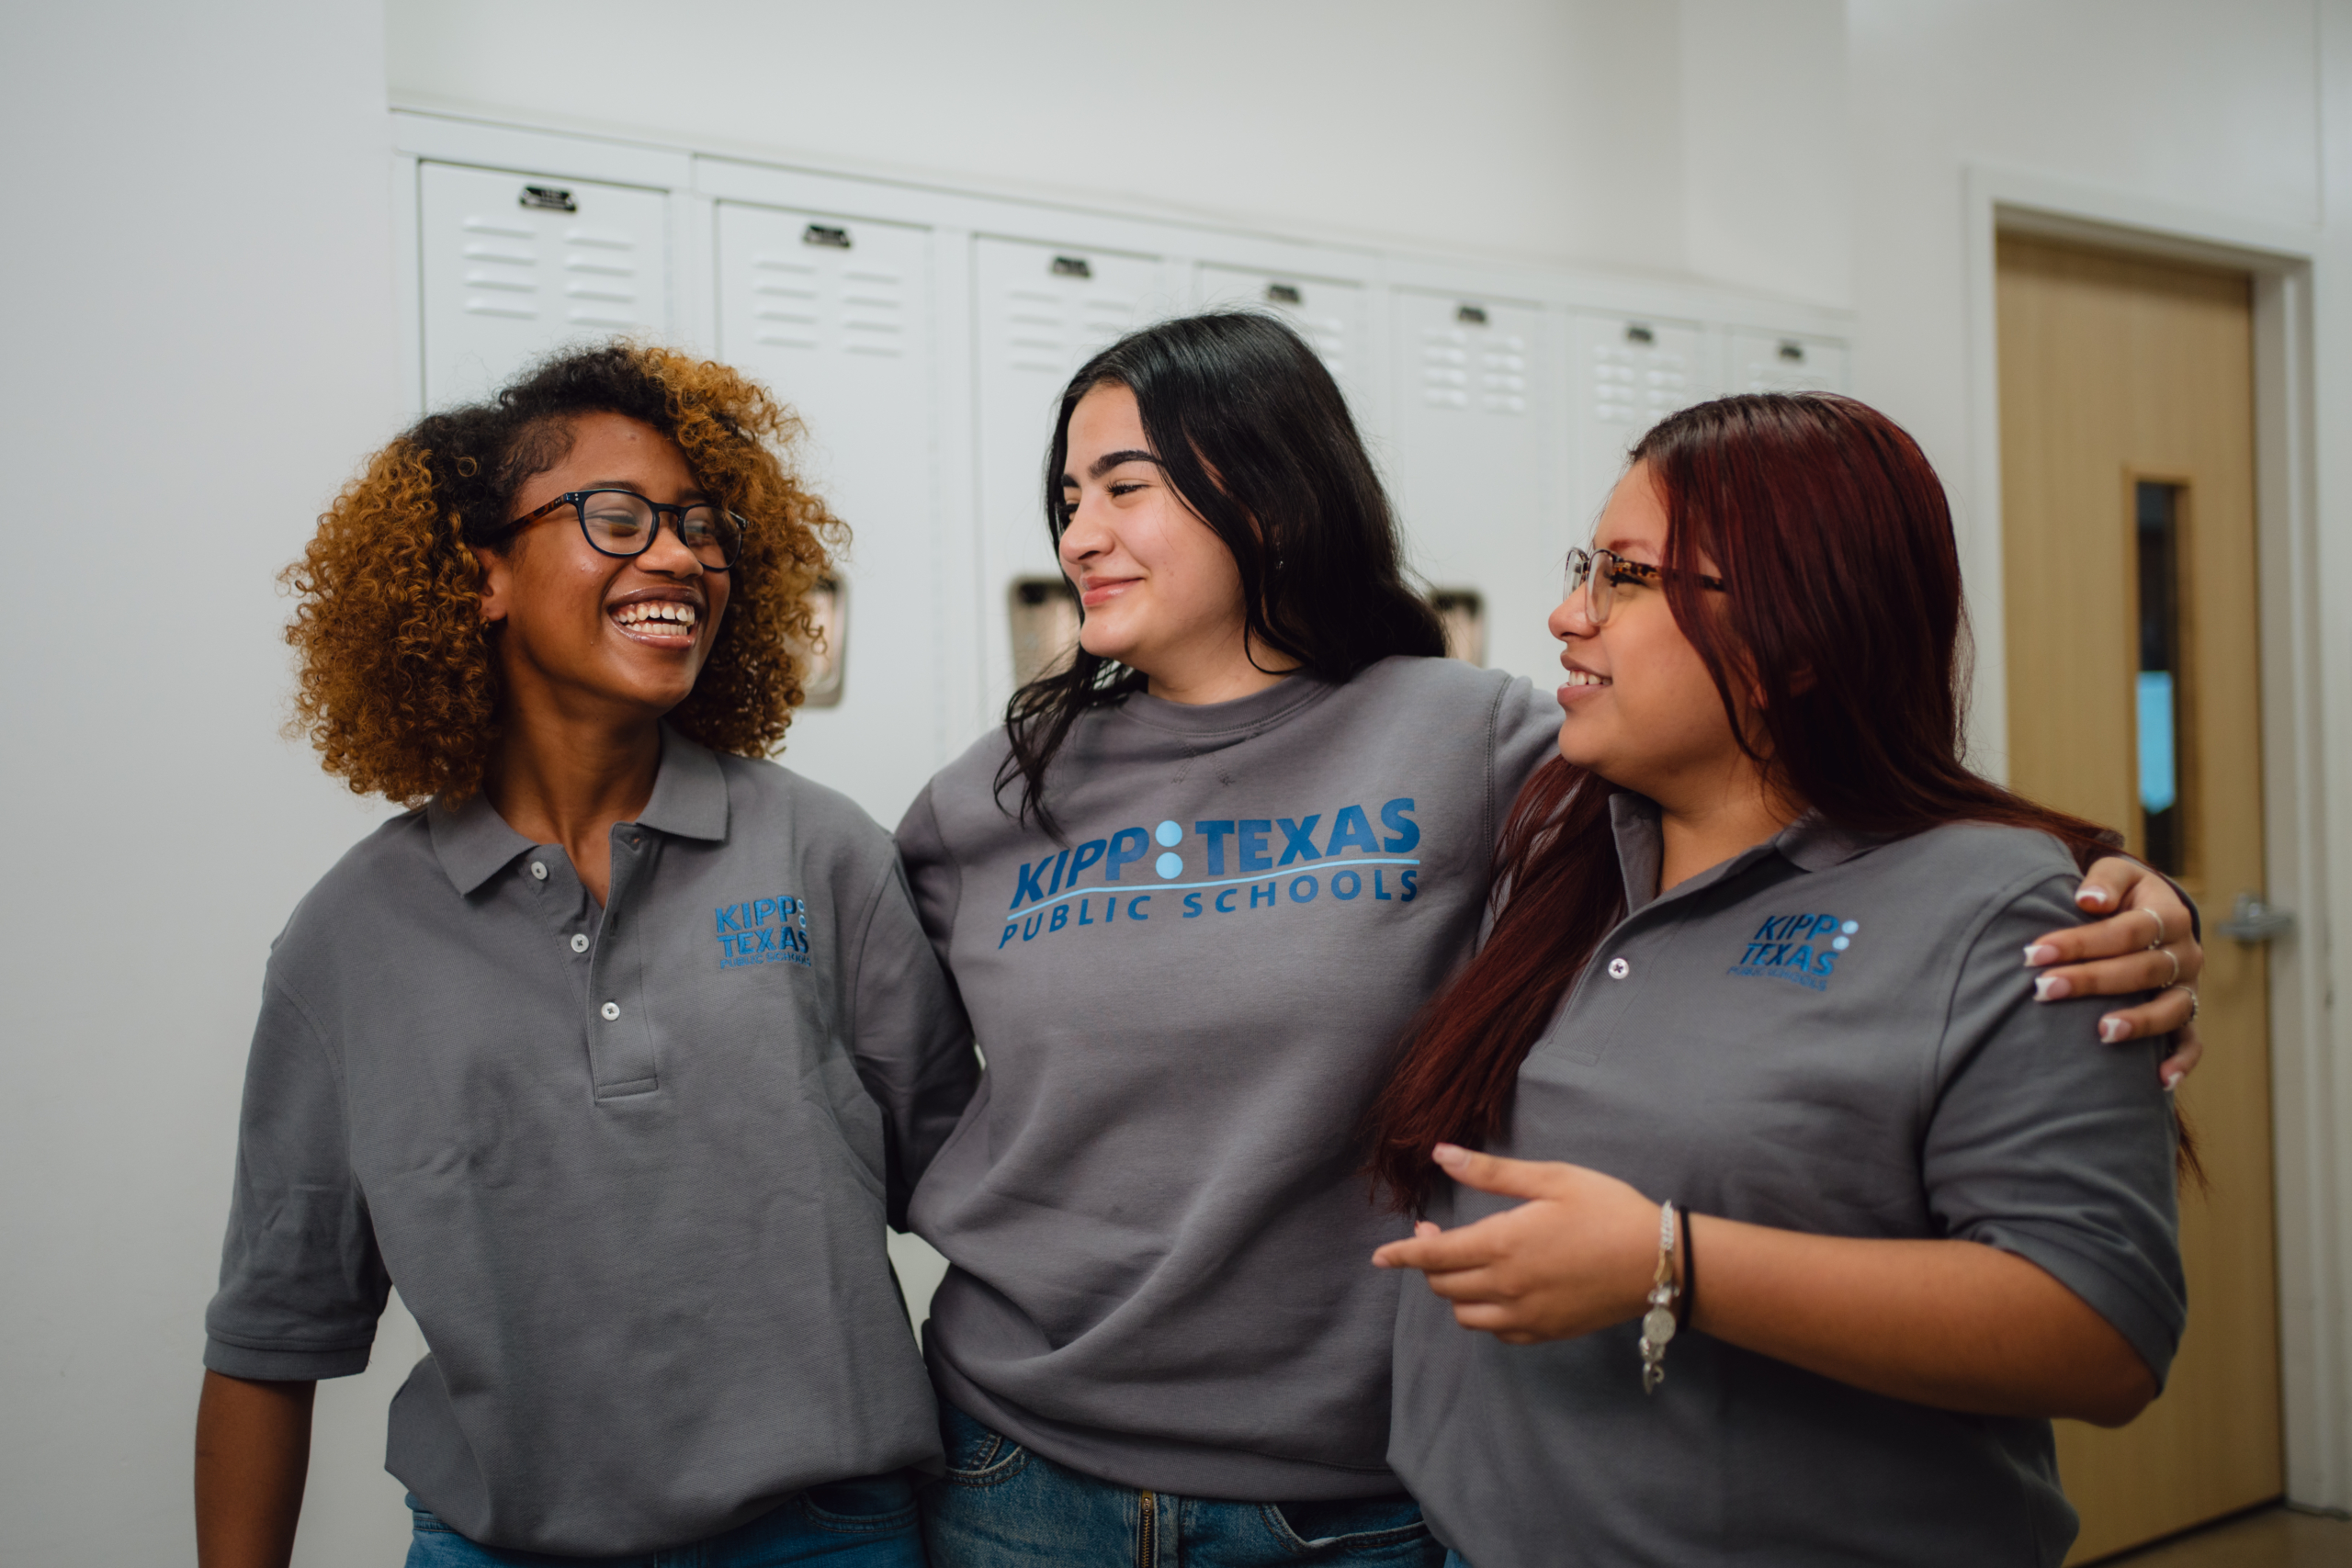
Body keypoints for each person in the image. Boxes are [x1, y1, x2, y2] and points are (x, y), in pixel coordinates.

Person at [895, 312, 2202, 1566]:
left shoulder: (1481, 745)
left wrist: (2130, 891)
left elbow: (1831, 802)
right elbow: (898, 1084)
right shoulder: (987, 798)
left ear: (1273, 499)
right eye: (1067, 497)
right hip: (1024, 1457)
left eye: (1126, 487)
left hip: (1347, 1491)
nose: (1079, 532)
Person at [1370, 392, 2188, 1567]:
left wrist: (1670, 1263)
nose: (1567, 614)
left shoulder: (1997, 908)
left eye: (1625, 577)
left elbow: (2101, 1336)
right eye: (1582, 569)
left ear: (1796, 637)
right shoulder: (1555, 845)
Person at [194, 344, 976, 1568]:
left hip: (823, 1537)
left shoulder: (821, 854)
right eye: (615, 517)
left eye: (700, 527)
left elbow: (981, 1192)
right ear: (483, 575)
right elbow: (269, 1331)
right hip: (498, 1547)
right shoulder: (349, 937)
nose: (677, 557)